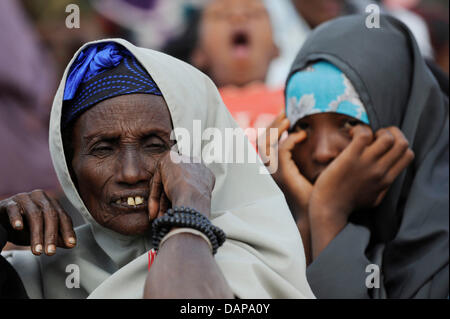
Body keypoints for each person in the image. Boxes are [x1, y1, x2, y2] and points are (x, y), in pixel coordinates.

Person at [0, 39, 315, 299]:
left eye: (155, 144)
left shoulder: (256, 259)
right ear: (70, 167)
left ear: (202, 153)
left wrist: (189, 212)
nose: (131, 172)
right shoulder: (45, 274)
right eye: (103, 148)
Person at [260, 15, 449, 298]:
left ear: (403, 119)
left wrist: (327, 213)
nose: (323, 152)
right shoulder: (282, 220)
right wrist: (307, 221)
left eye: (348, 124)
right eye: (303, 127)